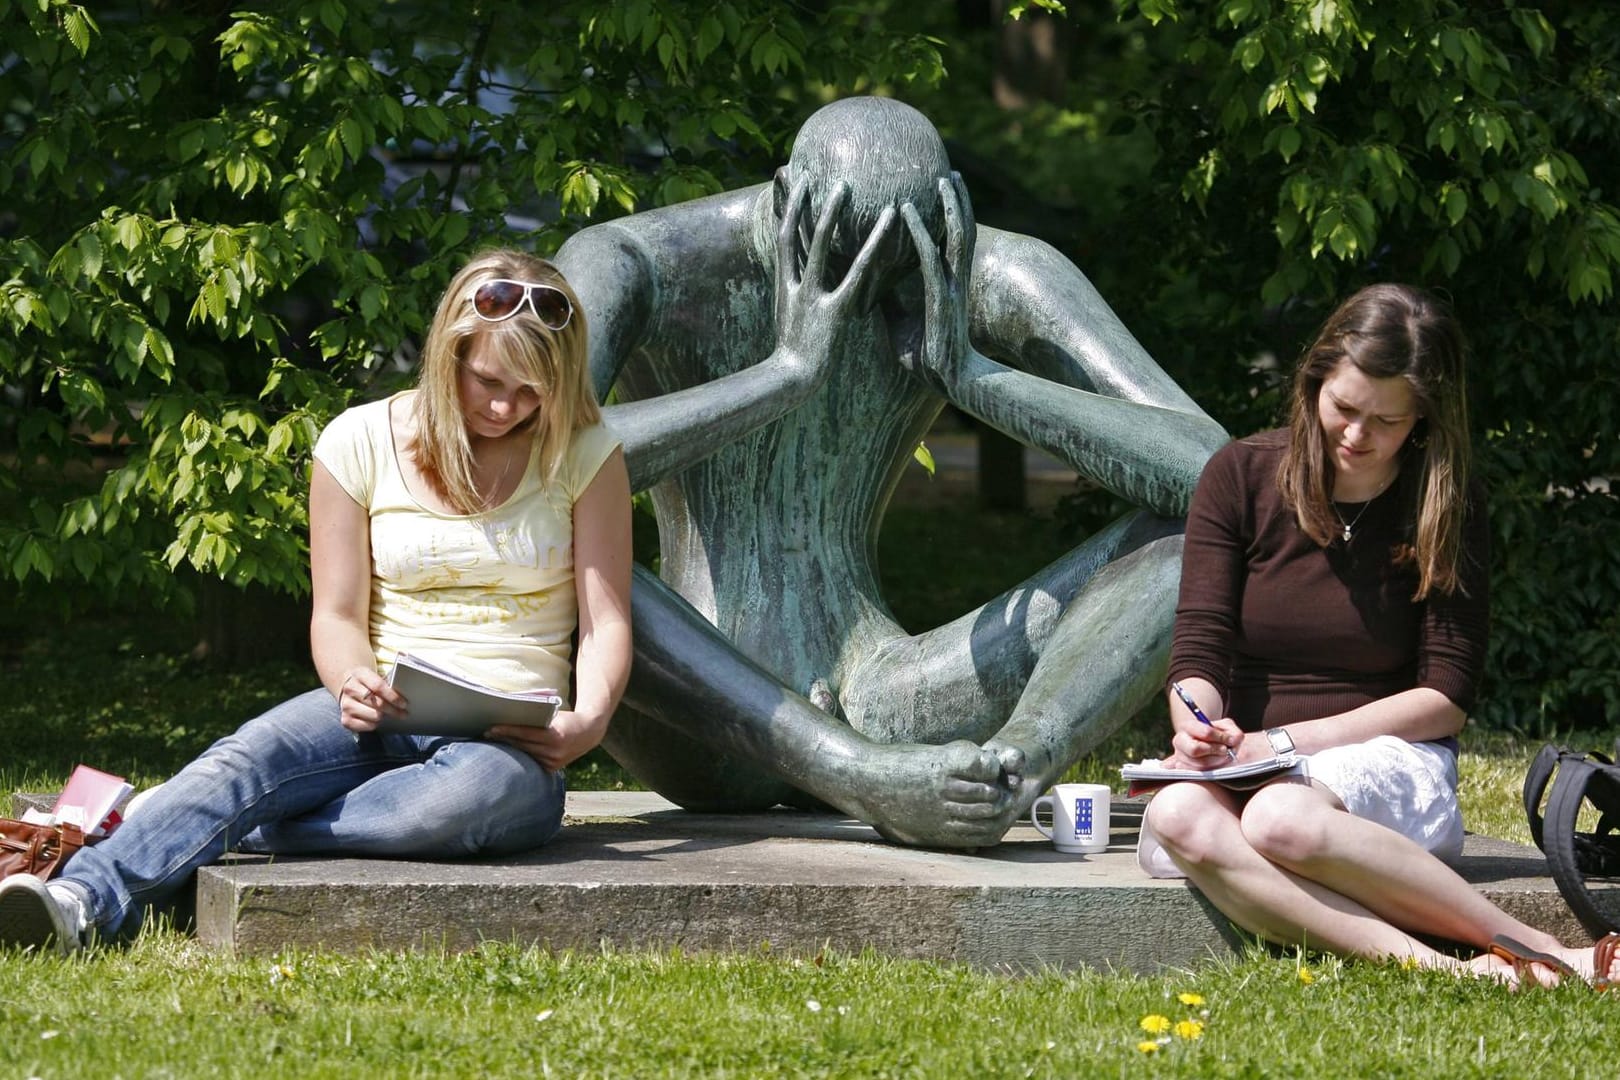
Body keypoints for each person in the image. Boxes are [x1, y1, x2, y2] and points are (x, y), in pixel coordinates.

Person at [554, 95, 1229, 848]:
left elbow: (1215, 476)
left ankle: (1005, 776)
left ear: (949, 214)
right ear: (786, 200)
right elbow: (522, 470)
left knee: (1190, 539)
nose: (866, 291)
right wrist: (783, 374)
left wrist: (978, 379)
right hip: (695, 706)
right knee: (542, 546)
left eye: (897, 262)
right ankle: (865, 778)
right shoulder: (636, 260)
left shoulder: (993, 272)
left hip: (877, 688)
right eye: (842, 257)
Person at [0, 250, 633, 954]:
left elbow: (606, 621)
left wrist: (590, 723)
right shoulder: (358, 440)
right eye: (487, 380)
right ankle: (75, 901)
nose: (503, 406)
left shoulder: (587, 452)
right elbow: (334, 615)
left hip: (508, 745)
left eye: (531, 390)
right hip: (382, 705)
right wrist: (350, 680)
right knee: (249, 757)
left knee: (456, 805)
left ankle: (200, 819)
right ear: (448, 352)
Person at [1137, 283, 1619, 986]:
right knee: (1179, 811)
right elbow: (1198, 651)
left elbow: (1445, 696)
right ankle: (1452, 972)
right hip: (1244, 759)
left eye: (1386, 422)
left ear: (1421, 419)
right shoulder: (1238, 475)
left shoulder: (1442, 499)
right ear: (1313, 385)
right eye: (1344, 409)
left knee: (1280, 821)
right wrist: (1197, 725)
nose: (1357, 436)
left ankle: (1539, 947)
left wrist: (1287, 744)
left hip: (1382, 756)